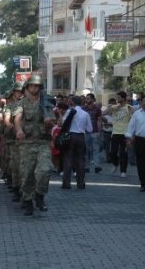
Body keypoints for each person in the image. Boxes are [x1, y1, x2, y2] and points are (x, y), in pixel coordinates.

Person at [14, 74, 55, 215]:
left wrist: (50, 122)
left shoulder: (47, 102)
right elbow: (17, 118)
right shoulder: (22, 103)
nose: (34, 88)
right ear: (27, 87)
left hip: (43, 143)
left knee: (44, 170)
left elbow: (53, 120)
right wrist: (19, 130)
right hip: (26, 143)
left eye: (37, 86)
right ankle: (27, 200)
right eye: (32, 85)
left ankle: (40, 195)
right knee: (27, 174)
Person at [61, 96, 92, 189]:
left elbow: (63, 124)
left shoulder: (69, 111)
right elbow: (90, 129)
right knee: (80, 160)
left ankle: (66, 183)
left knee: (68, 160)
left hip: (70, 136)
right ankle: (80, 183)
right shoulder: (86, 114)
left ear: (72, 102)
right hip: (81, 137)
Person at [125, 95, 145, 191]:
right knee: (141, 162)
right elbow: (131, 126)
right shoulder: (137, 114)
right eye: (144, 101)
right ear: (141, 103)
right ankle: (143, 183)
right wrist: (129, 138)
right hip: (140, 140)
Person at [104, 91, 134, 177]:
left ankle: (123, 171)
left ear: (123, 98)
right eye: (117, 98)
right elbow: (103, 113)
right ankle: (115, 164)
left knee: (123, 153)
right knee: (112, 152)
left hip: (125, 133)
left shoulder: (129, 108)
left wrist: (131, 135)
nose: (117, 99)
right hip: (115, 132)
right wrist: (110, 107)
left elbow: (134, 119)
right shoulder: (114, 107)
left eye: (119, 98)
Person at [83, 93, 102, 173]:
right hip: (86, 131)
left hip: (94, 131)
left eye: (88, 98)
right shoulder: (83, 108)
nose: (87, 100)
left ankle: (97, 166)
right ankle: (86, 167)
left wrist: (99, 130)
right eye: (86, 98)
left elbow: (99, 120)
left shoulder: (97, 109)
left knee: (95, 149)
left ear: (93, 99)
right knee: (86, 149)